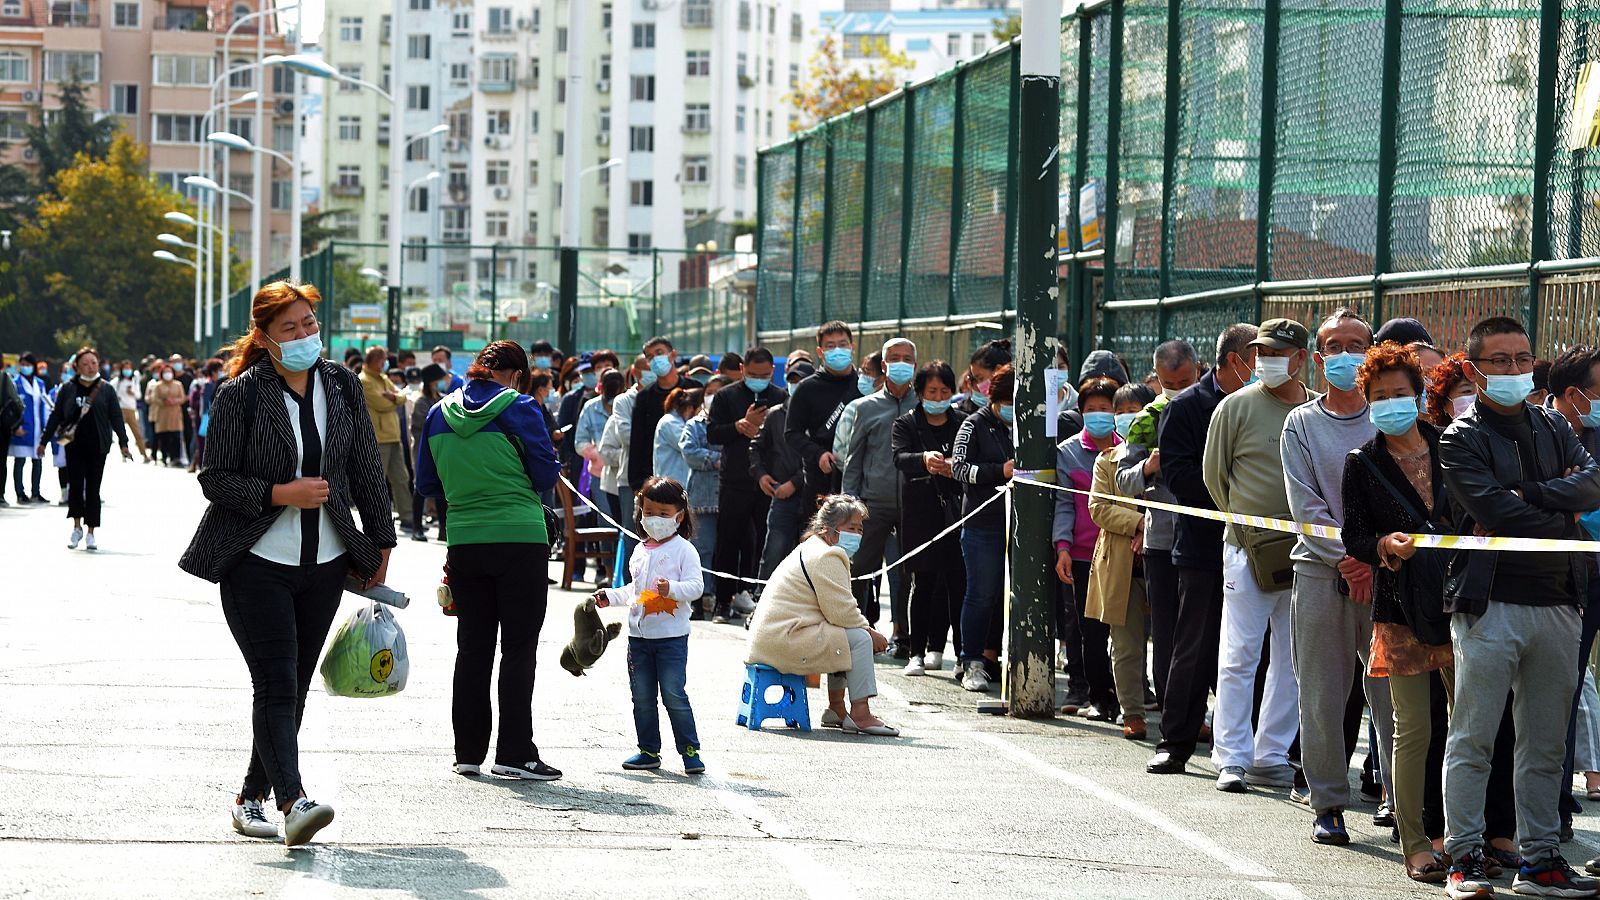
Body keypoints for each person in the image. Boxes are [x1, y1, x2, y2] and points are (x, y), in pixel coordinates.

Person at [178, 281, 396, 847]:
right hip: (255, 563)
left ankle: (249, 798)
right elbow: (215, 479)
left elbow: (367, 468)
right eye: (289, 328)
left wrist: (381, 544)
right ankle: (294, 801)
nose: (304, 335)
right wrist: (281, 493)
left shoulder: (343, 384)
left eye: (309, 324)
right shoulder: (241, 394)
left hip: (325, 562)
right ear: (264, 337)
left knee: (292, 688)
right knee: (276, 681)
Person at [1438, 316, 1600, 897]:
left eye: (1522, 358)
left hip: (1559, 599)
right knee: (1475, 736)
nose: (1513, 369)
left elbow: (1593, 483)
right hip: (1488, 603)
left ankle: (1540, 863)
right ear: (1474, 366)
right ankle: (1464, 858)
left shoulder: (1555, 425)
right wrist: (1562, 515)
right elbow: (1495, 514)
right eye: (1500, 360)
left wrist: (1529, 496)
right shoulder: (1460, 438)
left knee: (1546, 741)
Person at [414, 339, 563, 783]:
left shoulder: (439, 412)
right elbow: (543, 473)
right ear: (517, 376)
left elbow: (426, 482)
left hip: (464, 540)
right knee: (518, 648)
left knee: (472, 647)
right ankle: (516, 753)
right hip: (519, 538)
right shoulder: (519, 407)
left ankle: (468, 752)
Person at [1280, 308, 1397, 844]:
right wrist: (1348, 558)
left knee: (1396, 695)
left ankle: (1403, 801)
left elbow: (1405, 498)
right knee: (1323, 694)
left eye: (1357, 344)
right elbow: (1306, 506)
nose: (1345, 354)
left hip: (1388, 575)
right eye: (1334, 345)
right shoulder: (1300, 424)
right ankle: (1327, 803)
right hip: (1322, 573)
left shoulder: (1392, 417)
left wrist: (1373, 558)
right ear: (1319, 357)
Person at [1340, 340, 1455, 883]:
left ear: (1418, 395)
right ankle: (1415, 842)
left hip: (1461, 602)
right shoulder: (1361, 463)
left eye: (1400, 393)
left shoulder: (1454, 446)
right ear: (1368, 400)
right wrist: (1385, 544)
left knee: (1469, 725)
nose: (1390, 403)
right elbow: (1354, 537)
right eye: (1379, 395)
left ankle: (1459, 834)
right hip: (1401, 607)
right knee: (1413, 728)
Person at [1147, 323, 1258, 776]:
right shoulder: (1189, 407)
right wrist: (1236, 496)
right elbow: (1177, 474)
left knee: (1258, 651)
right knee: (1192, 644)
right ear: (1235, 360)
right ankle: (1176, 742)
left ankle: (1256, 747)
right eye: (1259, 356)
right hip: (1202, 547)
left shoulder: (1276, 404)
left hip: (1260, 547)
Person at [746, 494, 898, 736]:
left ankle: (836, 709)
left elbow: (836, 614)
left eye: (860, 529)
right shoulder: (827, 555)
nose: (857, 534)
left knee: (842, 635)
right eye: (851, 528)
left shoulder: (813, 547)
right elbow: (841, 610)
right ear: (829, 529)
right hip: (784, 639)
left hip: (775, 637)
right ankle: (860, 713)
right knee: (859, 638)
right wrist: (870, 632)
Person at [595, 476, 707, 771]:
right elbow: (634, 591)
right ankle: (648, 751)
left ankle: (690, 751)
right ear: (640, 512)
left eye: (663, 513)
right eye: (649, 512)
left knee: (673, 694)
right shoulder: (639, 551)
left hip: (671, 639)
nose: (655, 519)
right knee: (642, 698)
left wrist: (672, 588)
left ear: (679, 516)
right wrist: (610, 596)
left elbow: (696, 586)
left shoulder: (685, 550)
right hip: (639, 640)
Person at [1116, 340, 1200, 711]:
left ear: (1198, 370)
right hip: (1162, 542)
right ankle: (1171, 709)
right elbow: (1123, 480)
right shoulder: (1147, 419)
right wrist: (1149, 468)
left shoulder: (1213, 409)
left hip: (1205, 538)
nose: (1179, 389)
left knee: (1200, 632)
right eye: (1170, 383)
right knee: (1164, 633)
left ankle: (1198, 709)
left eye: (1185, 381)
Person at [1053, 376, 1124, 720]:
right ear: (1080, 412)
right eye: (1091, 409)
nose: (1098, 415)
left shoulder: (1128, 449)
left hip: (1122, 552)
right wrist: (1062, 547)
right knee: (1087, 628)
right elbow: (1064, 504)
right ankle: (1094, 693)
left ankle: (1129, 694)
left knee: (1125, 629)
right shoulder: (1067, 453)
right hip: (1082, 554)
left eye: (1105, 409)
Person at [892, 360, 967, 676]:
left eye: (945, 390)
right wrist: (924, 459)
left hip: (958, 512)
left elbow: (971, 460)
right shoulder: (906, 423)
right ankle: (916, 651)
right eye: (932, 390)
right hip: (920, 512)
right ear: (920, 392)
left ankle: (960, 654)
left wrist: (955, 466)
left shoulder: (964, 422)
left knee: (957, 583)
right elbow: (899, 458)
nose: (938, 396)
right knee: (922, 582)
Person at [843, 338, 919, 635]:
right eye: (895, 358)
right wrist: (850, 504)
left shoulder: (923, 405)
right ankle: (855, 628)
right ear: (883, 365)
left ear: (915, 364)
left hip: (914, 503)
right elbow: (854, 458)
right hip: (872, 503)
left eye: (907, 358)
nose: (901, 363)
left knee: (907, 571)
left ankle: (903, 632)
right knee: (858, 568)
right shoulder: (865, 407)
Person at [707, 347, 787, 621]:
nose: (758, 379)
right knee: (728, 541)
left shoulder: (780, 398)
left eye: (764, 375)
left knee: (766, 543)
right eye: (753, 374)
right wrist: (739, 426)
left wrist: (762, 432)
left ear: (772, 372)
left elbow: (785, 439)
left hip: (769, 482)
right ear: (742, 370)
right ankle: (723, 600)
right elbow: (712, 433)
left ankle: (758, 597)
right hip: (735, 481)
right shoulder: (725, 396)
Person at [952, 364, 1015, 692]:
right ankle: (971, 661)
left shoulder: (1027, 426)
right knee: (981, 594)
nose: (1011, 409)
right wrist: (998, 471)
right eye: (1007, 401)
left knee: (1013, 597)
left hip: (1019, 527)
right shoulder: (973, 425)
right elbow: (959, 468)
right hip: (982, 525)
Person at [36, 348, 132, 548]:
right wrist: (44, 441)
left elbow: (116, 417)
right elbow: (56, 415)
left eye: (94, 363)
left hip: (98, 446)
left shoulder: (106, 389)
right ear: (77, 367)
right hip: (74, 446)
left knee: (93, 489)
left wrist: (124, 443)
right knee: (76, 487)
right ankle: (76, 527)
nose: (90, 366)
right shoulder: (68, 388)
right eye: (86, 363)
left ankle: (91, 532)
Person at [786, 321, 863, 510]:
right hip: (821, 480)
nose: (838, 349)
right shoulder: (807, 388)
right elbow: (791, 433)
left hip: (862, 478)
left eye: (843, 344)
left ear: (852, 347)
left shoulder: (864, 385)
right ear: (820, 352)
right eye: (830, 345)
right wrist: (818, 454)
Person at [752, 360, 811, 583]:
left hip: (811, 496)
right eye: (792, 381)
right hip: (780, 496)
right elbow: (756, 447)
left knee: (809, 557)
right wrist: (760, 474)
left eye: (801, 381)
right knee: (774, 551)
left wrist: (795, 483)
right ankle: (762, 602)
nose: (796, 385)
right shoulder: (775, 415)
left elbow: (820, 455)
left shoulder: (816, 417)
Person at [680, 375, 725, 620]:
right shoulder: (694, 425)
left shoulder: (735, 426)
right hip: (702, 497)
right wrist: (717, 460)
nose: (714, 396)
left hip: (730, 497)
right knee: (702, 547)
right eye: (711, 391)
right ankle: (700, 596)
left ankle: (721, 596)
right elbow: (690, 452)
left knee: (726, 549)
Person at [358, 345, 414, 533]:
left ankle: (407, 516)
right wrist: (395, 399)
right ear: (374, 360)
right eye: (382, 360)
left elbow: (402, 397)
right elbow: (382, 404)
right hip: (377, 438)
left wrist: (395, 397)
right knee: (376, 481)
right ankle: (376, 518)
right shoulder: (364, 381)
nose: (385, 364)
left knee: (401, 478)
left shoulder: (382, 378)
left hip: (393, 436)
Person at [628, 336, 680, 497]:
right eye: (650, 357)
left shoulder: (693, 389)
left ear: (672, 355)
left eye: (659, 353)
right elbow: (637, 440)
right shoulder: (644, 397)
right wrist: (637, 483)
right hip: (653, 477)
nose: (656, 359)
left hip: (688, 474)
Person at [407, 363, 450, 542]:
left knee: (441, 487)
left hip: (442, 448)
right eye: (440, 379)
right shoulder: (421, 401)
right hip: (423, 448)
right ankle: (417, 527)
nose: (443, 382)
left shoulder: (444, 399)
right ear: (432, 381)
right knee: (420, 486)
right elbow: (421, 426)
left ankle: (443, 528)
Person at [7, 352, 50, 503]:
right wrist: (15, 427)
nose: (25, 367)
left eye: (28, 365)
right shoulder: (15, 383)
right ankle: (20, 493)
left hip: (37, 428)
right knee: (20, 461)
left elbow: (45, 405)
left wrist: (47, 426)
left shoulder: (40, 383)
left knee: (37, 460)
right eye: (23, 364)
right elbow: (11, 407)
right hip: (22, 428)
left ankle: (36, 492)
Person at [112, 360, 148, 463]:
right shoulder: (117, 382)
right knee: (121, 433)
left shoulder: (134, 381)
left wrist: (132, 392)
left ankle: (144, 454)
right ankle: (124, 452)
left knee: (137, 433)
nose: (127, 370)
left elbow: (139, 395)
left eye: (129, 368)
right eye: (125, 368)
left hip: (131, 409)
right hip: (120, 409)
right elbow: (110, 392)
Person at [152, 361, 187, 467]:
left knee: (176, 437)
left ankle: (175, 457)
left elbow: (183, 398)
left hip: (175, 414)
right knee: (164, 437)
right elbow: (154, 398)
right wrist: (164, 401)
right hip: (163, 414)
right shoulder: (158, 385)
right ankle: (164, 456)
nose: (168, 374)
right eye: (166, 372)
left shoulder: (178, 384)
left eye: (170, 372)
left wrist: (175, 401)